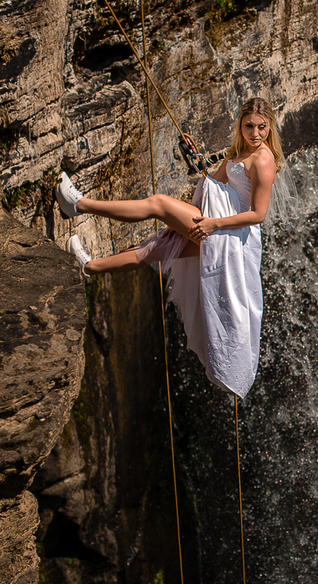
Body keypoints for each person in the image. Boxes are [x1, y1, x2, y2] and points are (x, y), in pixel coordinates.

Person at [56, 97, 290, 398]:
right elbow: (214, 183)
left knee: (157, 204)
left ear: (269, 127)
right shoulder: (240, 150)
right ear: (240, 123)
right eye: (248, 126)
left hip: (228, 235)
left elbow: (258, 214)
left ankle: (79, 205)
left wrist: (213, 225)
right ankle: (89, 267)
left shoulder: (263, 159)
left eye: (261, 127)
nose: (255, 133)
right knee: (159, 248)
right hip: (216, 222)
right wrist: (199, 170)